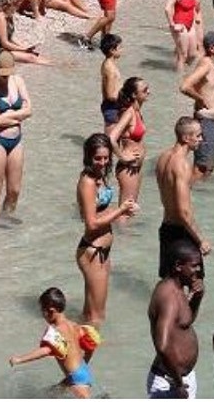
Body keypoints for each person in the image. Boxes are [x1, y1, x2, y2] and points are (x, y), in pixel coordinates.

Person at [76, 133, 138, 326]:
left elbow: (99, 210)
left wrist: (124, 208)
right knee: (97, 317)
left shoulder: (99, 177)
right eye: (97, 158)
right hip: (92, 251)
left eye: (106, 158)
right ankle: (90, 352)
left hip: (101, 251)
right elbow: (91, 223)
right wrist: (120, 210)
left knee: (89, 313)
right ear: (88, 157)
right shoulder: (87, 182)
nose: (102, 162)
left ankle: (78, 349)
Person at [8, 287, 94, 397]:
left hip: (75, 378)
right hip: (81, 371)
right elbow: (90, 346)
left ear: (51, 311)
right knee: (52, 393)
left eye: (42, 311)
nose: (42, 315)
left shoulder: (56, 331)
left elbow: (46, 350)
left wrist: (20, 359)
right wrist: (84, 363)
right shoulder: (74, 325)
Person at [147, 239, 205, 399]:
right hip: (170, 383)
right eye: (194, 265)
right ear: (179, 266)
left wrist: (197, 298)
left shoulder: (177, 290)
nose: (198, 270)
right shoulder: (169, 297)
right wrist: (178, 384)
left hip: (179, 379)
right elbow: (163, 346)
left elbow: (185, 322)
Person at [0, 50, 31, 225]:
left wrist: (6, 118)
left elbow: (30, 110)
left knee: (14, 189)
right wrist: (18, 115)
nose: (5, 77)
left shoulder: (18, 81)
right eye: (2, 74)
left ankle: (6, 218)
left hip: (16, 139)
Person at [157, 116, 212, 279]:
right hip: (180, 232)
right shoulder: (182, 164)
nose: (201, 139)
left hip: (166, 228)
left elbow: (168, 197)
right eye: (198, 135)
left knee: (169, 284)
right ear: (186, 137)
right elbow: (183, 213)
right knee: (196, 286)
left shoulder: (163, 158)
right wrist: (201, 240)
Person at [179, 33, 214, 182]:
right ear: (212, 48)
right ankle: (188, 194)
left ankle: (202, 199)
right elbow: (184, 86)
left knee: (208, 166)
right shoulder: (206, 64)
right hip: (206, 122)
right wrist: (200, 99)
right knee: (201, 167)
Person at [108, 76, 153, 205]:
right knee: (125, 212)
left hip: (135, 167)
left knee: (130, 210)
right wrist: (122, 157)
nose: (148, 92)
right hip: (128, 167)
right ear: (134, 94)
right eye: (145, 90)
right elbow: (111, 138)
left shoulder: (137, 112)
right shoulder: (129, 113)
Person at [165, 0, 204, 73]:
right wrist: (172, 25)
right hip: (180, 25)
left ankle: (179, 69)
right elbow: (167, 8)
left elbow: (193, 5)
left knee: (193, 55)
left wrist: (196, 17)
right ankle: (179, 79)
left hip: (190, 25)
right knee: (183, 55)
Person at [98, 35, 124, 125]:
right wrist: (126, 98)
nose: (122, 50)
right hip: (112, 108)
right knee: (112, 137)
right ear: (112, 50)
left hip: (111, 107)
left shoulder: (107, 64)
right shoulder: (110, 69)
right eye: (120, 47)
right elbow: (110, 95)